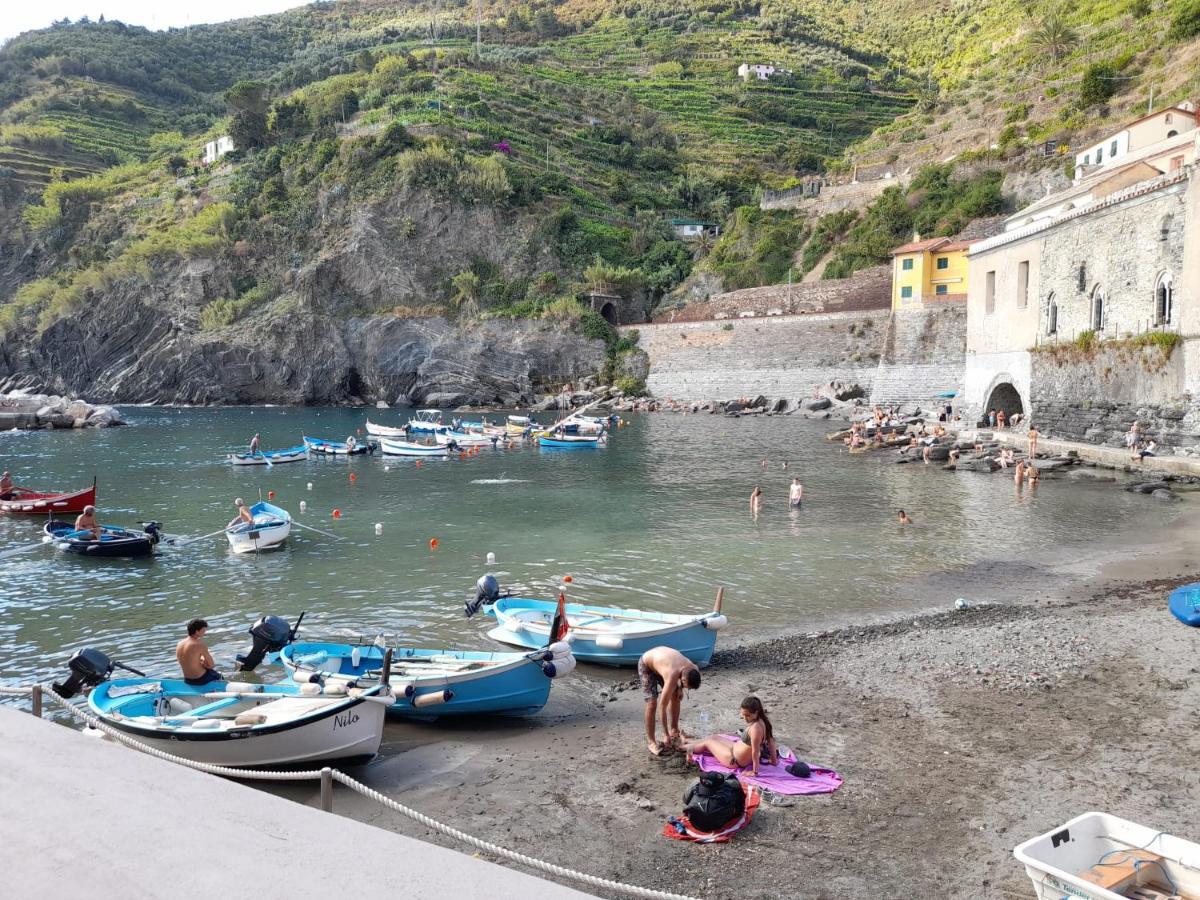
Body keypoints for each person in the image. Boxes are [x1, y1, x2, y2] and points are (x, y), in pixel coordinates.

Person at [685, 696, 778, 777]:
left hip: (734, 759)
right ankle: (687, 741)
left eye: (748, 715)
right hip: (734, 748)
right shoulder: (763, 720)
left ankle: (682, 746)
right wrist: (774, 760)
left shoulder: (755, 728)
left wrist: (755, 772)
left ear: (756, 712)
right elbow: (771, 741)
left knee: (708, 743)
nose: (745, 718)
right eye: (743, 715)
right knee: (714, 737)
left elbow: (755, 751)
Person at [639, 646, 701, 755]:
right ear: (682, 679)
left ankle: (674, 730)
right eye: (687, 686)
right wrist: (665, 734)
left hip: (664, 663)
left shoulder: (694, 668)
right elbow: (662, 707)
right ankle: (651, 742)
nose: (687, 689)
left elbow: (682, 679)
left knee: (676, 695)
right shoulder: (673, 675)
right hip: (647, 664)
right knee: (652, 703)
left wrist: (680, 689)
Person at [176, 618, 222, 686]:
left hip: (187, 679)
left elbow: (187, 660)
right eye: (203, 630)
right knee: (219, 676)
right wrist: (204, 663)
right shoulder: (199, 644)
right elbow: (211, 665)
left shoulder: (179, 644)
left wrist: (200, 661)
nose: (205, 632)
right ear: (197, 631)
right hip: (200, 679)